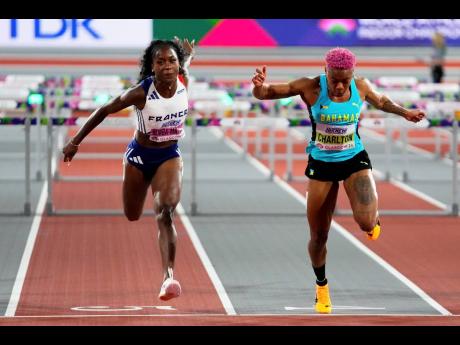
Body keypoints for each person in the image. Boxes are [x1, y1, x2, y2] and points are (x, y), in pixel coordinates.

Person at [251, 47, 425, 314]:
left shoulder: (361, 86)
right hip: (321, 165)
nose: (341, 86)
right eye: (335, 80)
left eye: (346, 79)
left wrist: (405, 113)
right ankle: (321, 287)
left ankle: (371, 221)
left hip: (354, 159)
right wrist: (259, 88)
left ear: (353, 74)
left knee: (366, 221)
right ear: (326, 72)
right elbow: (269, 93)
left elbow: (382, 101)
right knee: (319, 236)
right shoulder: (309, 87)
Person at [62, 37, 195, 301]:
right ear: (152, 67)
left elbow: (185, 66)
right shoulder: (140, 93)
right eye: (161, 62)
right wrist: (75, 141)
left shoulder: (183, 81)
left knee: (165, 212)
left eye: (172, 61)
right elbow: (104, 110)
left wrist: (188, 57)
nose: (167, 66)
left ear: (178, 66)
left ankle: (169, 277)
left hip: (169, 155)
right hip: (138, 157)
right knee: (132, 214)